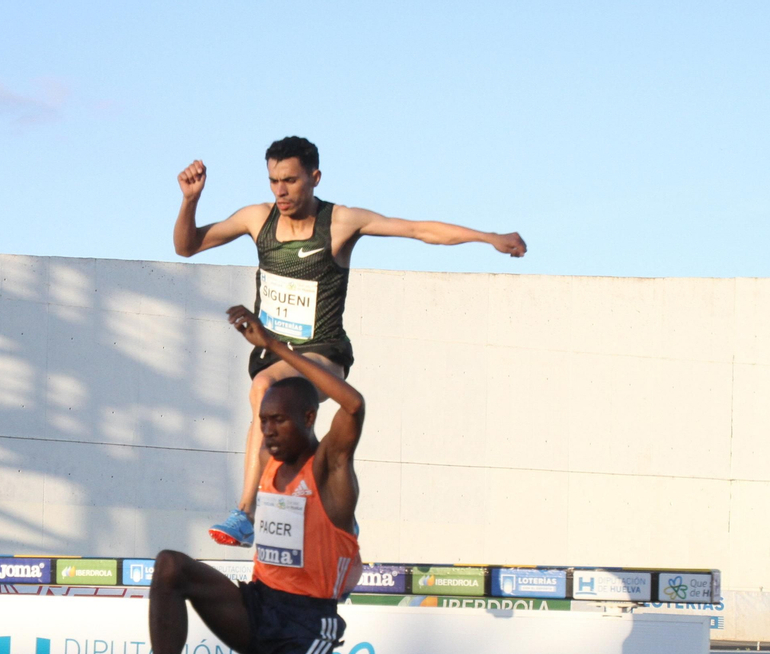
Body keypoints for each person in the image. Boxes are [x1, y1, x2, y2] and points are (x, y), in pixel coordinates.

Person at [172, 135, 526, 546]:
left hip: (323, 357)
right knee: (278, 421)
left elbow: (417, 230)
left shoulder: (341, 223)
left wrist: (489, 237)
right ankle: (337, 502)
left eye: (290, 180)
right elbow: (186, 246)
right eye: (273, 181)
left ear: (315, 177)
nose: (280, 191)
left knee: (264, 390)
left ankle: (246, 512)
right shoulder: (257, 219)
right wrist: (190, 200)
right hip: (273, 354)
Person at [104, 303, 366, 654]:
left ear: (309, 420)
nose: (269, 433)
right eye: (263, 422)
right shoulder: (270, 463)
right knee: (171, 567)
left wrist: (274, 346)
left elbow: (355, 404)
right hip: (259, 605)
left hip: (305, 629)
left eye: (279, 422)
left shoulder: (330, 469)